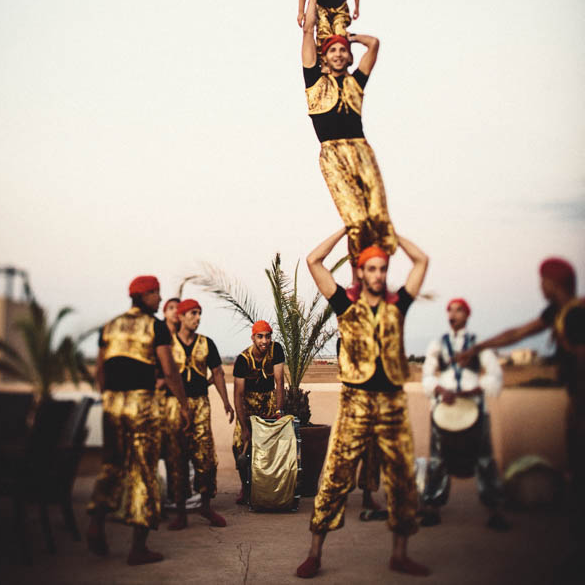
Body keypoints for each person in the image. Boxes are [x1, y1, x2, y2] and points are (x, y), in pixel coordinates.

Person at [296, 229, 430, 579]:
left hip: (392, 404)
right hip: (356, 401)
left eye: (382, 269)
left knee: (401, 478)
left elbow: (421, 261)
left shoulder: (397, 304)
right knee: (337, 474)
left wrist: (393, 234)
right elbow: (313, 261)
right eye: (371, 269)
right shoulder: (345, 304)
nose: (378, 275)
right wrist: (345, 229)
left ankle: (399, 554)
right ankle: (315, 553)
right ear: (359, 272)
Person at [457, 258, 585, 569]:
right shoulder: (559, 312)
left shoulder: (577, 315)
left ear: (553, 283)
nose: (539, 286)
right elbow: (517, 333)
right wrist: (477, 349)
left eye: (542, 280)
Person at [87, 276, 191, 566]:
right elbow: (169, 370)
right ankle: (138, 548)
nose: (159, 299)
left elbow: (100, 370)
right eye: (156, 294)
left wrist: (109, 398)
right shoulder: (155, 326)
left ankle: (96, 522)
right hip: (141, 404)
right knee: (144, 470)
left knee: (112, 463)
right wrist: (184, 405)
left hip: (112, 403)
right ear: (144, 296)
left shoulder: (110, 325)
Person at [302, 0, 397, 275]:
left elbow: (375, 44)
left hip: (360, 150)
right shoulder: (315, 81)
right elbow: (308, 32)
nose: (340, 53)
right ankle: (358, 277)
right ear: (324, 56)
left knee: (378, 219)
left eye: (343, 50)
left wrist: (350, 36)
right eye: (333, 50)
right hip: (333, 153)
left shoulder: (356, 82)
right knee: (355, 220)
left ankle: (378, 275)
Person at [420, 298, 509, 530]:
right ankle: (432, 507)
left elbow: (495, 374)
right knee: (438, 460)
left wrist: (474, 389)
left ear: (467, 315)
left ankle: (495, 510)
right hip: (443, 408)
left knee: (484, 459)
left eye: (458, 310)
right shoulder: (438, 344)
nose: (453, 314)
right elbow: (427, 375)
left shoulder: (478, 344)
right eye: (450, 310)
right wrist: (439, 389)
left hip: (474, 409)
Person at [168, 298, 234, 530]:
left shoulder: (207, 344)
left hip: (201, 404)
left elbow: (217, 373)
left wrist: (226, 402)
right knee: (178, 457)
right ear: (182, 316)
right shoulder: (168, 344)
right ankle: (181, 512)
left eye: (199, 313)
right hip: (175, 405)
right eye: (193, 313)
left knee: (205, 456)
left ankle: (205, 505)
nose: (197, 318)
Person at [232, 320, 285, 502]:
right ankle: (245, 487)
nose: (264, 341)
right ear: (253, 338)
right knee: (239, 444)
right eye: (260, 336)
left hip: (269, 400)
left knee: (272, 444)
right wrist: (244, 426)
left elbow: (279, 382)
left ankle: (271, 487)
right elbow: (238, 395)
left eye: (267, 336)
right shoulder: (243, 360)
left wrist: (279, 412)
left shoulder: (276, 350)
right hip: (248, 403)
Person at [156, 296, 190, 522]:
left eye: (178, 308)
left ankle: (180, 507)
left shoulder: (184, 338)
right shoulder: (157, 333)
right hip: (158, 401)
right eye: (170, 308)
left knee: (177, 456)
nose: (175, 312)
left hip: (176, 400)